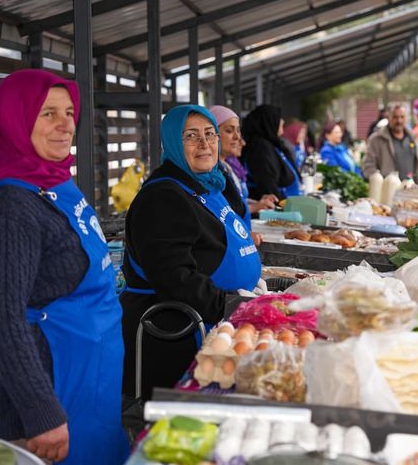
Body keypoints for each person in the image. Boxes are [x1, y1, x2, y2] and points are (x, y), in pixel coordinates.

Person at [0, 69, 129, 463]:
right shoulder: (6, 209)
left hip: (87, 379)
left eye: (69, 112)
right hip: (39, 401)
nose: (65, 125)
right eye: (47, 114)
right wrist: (42, 414)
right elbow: (1, 320)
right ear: (15, 120)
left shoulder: (52, 183)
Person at [120, 105, 261, 400]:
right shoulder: (163, 197)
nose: (204, 144)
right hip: (178, 337)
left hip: (216, 328)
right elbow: (175, 278)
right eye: (191, 136)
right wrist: (231, 304)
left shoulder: (206, 185)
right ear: (172, 141)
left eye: (210, 134)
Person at [209, 105, 275, 241]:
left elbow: (236, 200)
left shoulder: (227, 167)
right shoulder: (210, 173)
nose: (238, 138)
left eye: (238, 131)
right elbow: (220, 213)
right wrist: (256, 206)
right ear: (212, 134)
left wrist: (258, 202)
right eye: (229, 130)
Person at [241, 104, 301, 199]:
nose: (283, 121)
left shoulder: (271, 143)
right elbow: (268, 187)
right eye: (279, 118)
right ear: (269, 121)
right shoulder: (261, 148)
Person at [363, 103, 418, 183]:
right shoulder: (376, 140)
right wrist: (379, 181)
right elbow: (368, 166)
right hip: (388, 191)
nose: (399, 121)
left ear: (406, 118)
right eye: (395, 117)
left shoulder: (414, 138)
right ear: (388, 117)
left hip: (411, 190)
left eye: (402, 117)